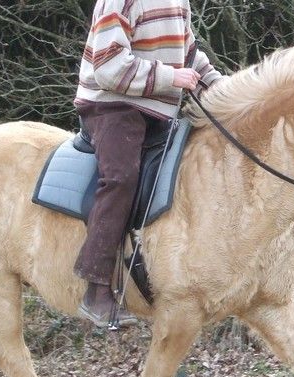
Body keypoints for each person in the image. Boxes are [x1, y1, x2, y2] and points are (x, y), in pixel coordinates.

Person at [73, 0, 222, 327]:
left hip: (159, 111)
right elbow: (108, 67)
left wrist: (224, 91)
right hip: (111, 105)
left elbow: (189, 54)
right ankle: (96, 287)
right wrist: (171, 77)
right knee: (121, 177)